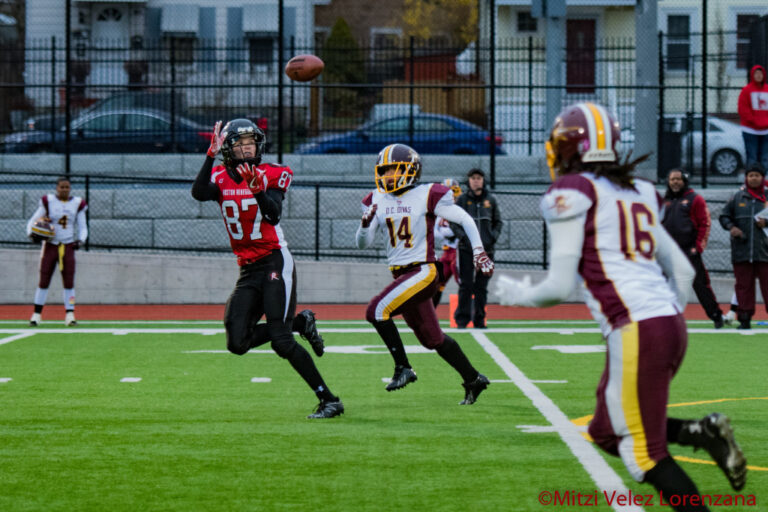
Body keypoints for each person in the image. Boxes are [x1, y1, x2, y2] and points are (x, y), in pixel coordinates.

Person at [495, 102, 747, 508]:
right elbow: (682, 272)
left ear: (572, 150)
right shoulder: (641, 190)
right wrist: (663, 320)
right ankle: (702, 434)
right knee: (607, 430)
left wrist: (516, 294)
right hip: (665, 322)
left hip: (636, 328)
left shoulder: (572, 192)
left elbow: (559, 286)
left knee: (645, 454)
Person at [191, 119, 341, 419]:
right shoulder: (219, 175)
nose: (247, 148)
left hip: (274, 261)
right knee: (237, 342)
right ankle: (300, 323)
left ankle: (329, 400)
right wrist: (209, 157)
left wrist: (258, 190)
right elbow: (198, 192)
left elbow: (272, 216)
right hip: (248, 268)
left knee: (282, 342)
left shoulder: (273, 173)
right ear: (228, 149)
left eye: (251, 143)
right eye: (239, 144)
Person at [355, 143, 495, 404]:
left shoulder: (426, 193)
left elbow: (464, 218)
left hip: (423, 271)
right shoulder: (376, 198)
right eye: (384, 171)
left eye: (394, 171)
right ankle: (473, 378)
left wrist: (479, 251)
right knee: (432, 339)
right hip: (402, 277)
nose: (388, 177)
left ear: (410, 171)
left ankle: (402, 368)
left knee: (375, 311)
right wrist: (364, 226)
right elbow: (362, 242)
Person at [661, 169, 725, 328]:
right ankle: (662, 318)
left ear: (684, 181)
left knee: (700, 284)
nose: (675, 182)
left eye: (678, 179)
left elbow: (705, 223)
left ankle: (716, 316)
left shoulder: (695, 199)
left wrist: (698, 247)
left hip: (689, 251)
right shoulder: (664, 200)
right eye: (672, 179)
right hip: (668, 252)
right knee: (662, 284)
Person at [26, 176, 88, 327]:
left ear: (70, 188)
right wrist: (30, 234)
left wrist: (81, 240)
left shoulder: (77, 203)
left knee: (69, 281)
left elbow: (83, 226)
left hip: (67, 245)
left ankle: (70, 314)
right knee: (44, 280)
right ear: (56, 188)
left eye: (67, 187)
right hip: (50, 245)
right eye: (62, 187)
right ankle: (36, 314)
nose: (64, 190)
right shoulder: (48, 201)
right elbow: (33, 220)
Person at [718, 163, 768, 330]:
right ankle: (744, 319)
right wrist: (732, 228)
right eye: (751, 175)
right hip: (742, 250)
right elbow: (724, 216)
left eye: (757, 175)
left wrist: (766, 222)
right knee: (743, 286)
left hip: (765, 252)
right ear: (746, 178)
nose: (754, 178)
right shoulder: (737, 197)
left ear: (763, 178)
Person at [451, 168, 503, 328]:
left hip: (487, 251)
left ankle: (480, 320)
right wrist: (465, 238)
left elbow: (498, 222)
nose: (476, 180)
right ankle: (462, 320)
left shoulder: (491, 200)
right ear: (469, 181)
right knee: (466, 285)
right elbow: (453, 222)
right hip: (467, 250)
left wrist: (492, 238)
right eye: (473, 178)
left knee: (481, 286)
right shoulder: (462, 200)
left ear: (483, 180)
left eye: (478, 178)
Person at [432, 178, 462, 307]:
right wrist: (447, 233)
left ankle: (469, 314)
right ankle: (431, 314)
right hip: (446, 251)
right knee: (437, 282)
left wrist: (449, 232)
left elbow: (460, 229)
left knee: (462, 281)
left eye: (453, 192)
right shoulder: (440, 211)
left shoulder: (461, 209)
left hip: (458, 251)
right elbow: (434, 232)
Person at [737, 65, 768, 169]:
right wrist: (754, 121)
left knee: (765, 157)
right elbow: (743, 109)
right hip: (750, 130)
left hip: (766, 130)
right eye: (756, 74)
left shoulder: (767, 89)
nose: (759, 76)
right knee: (752, 157)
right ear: (752, 75)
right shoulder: (746, 90)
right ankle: (751, 180)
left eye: (761, 74)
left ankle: (764, 181)